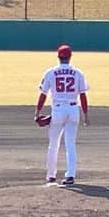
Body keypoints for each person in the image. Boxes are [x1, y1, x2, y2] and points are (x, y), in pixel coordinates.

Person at [36, 44, 88, 186]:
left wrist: (37, 112)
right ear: (70, 57)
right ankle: (70, 175)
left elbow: (43, 94)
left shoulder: (51, 72)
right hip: (73, 110)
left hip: (58, 110)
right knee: (70, 143)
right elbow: (83, 96)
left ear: (58, 57)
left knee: (53, 144)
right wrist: (86, 115)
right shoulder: (78, 73)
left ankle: (51, 175)